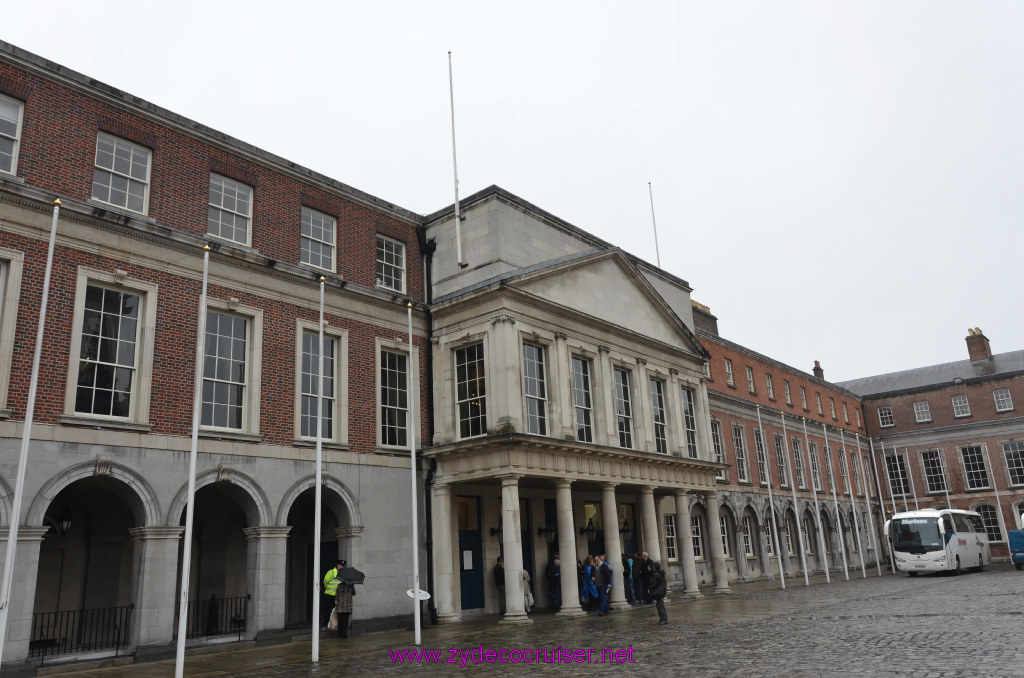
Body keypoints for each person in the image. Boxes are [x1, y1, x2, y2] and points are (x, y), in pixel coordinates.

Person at [333, 560, 356, 638]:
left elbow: (336, 595)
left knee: (341, 620)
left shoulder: (339, 585)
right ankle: (344, 634)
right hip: (347, 606)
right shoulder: (351, 585)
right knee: (345, 621)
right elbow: (354, 593)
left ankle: (340, 634)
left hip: (340, 606)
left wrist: (336, 603)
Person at [321, 559, 344, 629]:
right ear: (337, 565)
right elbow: (325, 581)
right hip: (330, 594)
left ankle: (333, 624)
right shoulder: (331, 572)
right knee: (328, 610)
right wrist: (328, 588)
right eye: (340, 565)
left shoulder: (344, 573)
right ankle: (325, 624)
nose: (341, 566)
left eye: (343, 565)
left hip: (338, 595)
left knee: (336, 610)